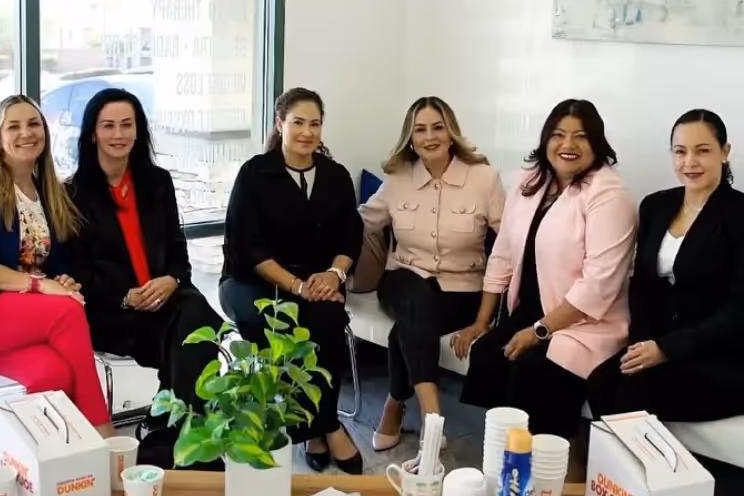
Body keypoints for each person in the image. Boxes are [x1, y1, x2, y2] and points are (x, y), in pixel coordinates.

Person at [456, 99, 637, 440]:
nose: (568, 145)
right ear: (545, 139)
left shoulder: (610, 193)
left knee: (534, 370)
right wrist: (482, 321)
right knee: (489, 355)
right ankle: (508, 449)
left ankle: (547, 460)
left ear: (596, 143)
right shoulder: (530, 181)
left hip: (584, 324)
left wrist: (540, 331)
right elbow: (504, 253)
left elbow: (597, 286)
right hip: (531, 312)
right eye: (558, 135)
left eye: (581, 137)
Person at [219, 87, 364, 474]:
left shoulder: (335, 176)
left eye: (315, 123)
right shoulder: (255, 173)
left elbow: (351, 237)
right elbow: (248, 248)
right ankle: (325, 426)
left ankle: (316, 428)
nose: (307, 132)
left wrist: (334, 275)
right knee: (276, 320)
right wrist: (298, 288)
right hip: (254, 280)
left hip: (320, 279)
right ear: (280, 124)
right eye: (298, 122)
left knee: (328, 323)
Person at [0, 95, 110, 427]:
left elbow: (58, 262)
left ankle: (48, 468)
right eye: (14, 126)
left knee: (53, 374)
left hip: (20, 320)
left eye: (33, 123)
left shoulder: (49, 193)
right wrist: (40, 285)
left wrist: (62, 281)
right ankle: (101, 430)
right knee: (67, 310)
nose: (26, 133)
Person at [68, 88, 224, 432]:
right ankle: (172, 437)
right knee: (198, 332)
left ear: (139, 131)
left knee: (192, 320)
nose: (119, 134)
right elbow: (76, 273)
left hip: (167, 300)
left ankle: (166, 433)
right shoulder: (72, 194)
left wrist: (171, 280)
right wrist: (125, 296)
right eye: (108, 126)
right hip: (113, 313)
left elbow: (178, 252)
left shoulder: (157, 182)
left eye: (127, 124)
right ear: (92, 133)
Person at [359, 96, 505, 451]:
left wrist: (484, 320)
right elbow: (361, 222)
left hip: (463, 289)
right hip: (402, 279)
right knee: (415, 297)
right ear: (410, 138)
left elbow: (509, 246)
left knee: (408, 327)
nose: (429, 136)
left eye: (437, 127)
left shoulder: (484, 178)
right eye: (420, 129)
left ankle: (394, 405)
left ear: (451, 132)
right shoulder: (398, 178)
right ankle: (432, 418)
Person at [587, 109, 744, 422]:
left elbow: (738, 311)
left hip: (719, 356)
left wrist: (667, 349)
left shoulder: (739, 214)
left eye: (703, 151)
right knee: (600, 383)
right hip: (659, 341)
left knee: (634, 394)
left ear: (725, 152)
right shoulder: (656, 205)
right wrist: (645, 343)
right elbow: (643, 285)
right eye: (680, 152)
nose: (690, 162)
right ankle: (616, 471)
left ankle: (640, 472)